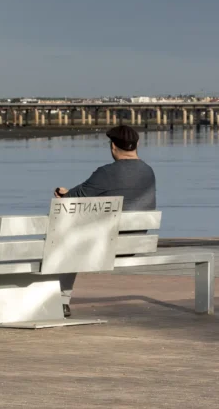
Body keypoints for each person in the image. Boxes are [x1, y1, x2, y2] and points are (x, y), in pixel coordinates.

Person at [53, 125, 156, 317]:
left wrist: (62, 192)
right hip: (135, 245)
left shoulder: (106, 173)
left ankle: (61, 301)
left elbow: (72, 198)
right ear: (137, 145)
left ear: (113, 146)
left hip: (107, 247)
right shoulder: (149, 172)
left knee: (63, 241)